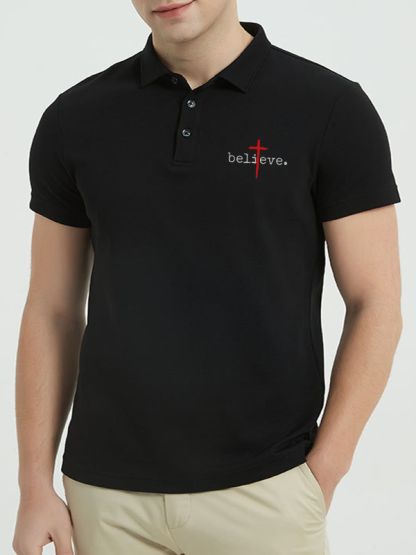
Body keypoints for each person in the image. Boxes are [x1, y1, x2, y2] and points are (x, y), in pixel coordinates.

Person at [13, 1, 403, 554]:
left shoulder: (330, 109)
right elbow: (50, 310)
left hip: (266, 489)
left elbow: (376, 301)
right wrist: (34, 484)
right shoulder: (75, 118)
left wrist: (323, 472)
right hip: (104, 499)